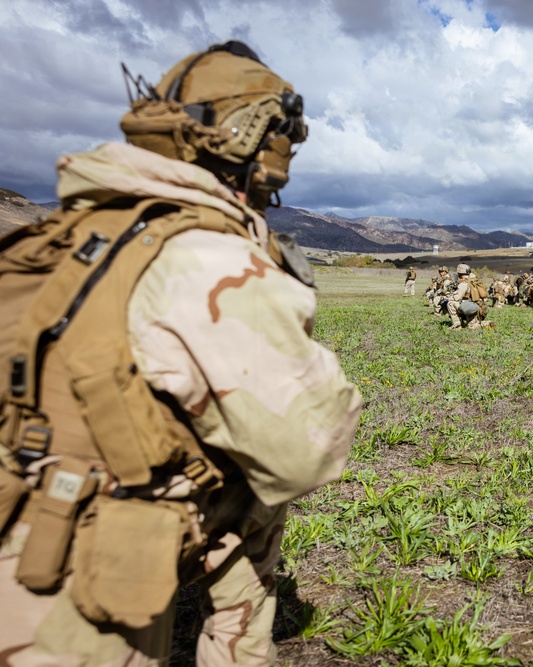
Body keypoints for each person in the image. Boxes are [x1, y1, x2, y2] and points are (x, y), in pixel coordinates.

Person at [0, 41, 362, 665]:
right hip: (72, 588)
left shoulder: (53, 236)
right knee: (259, 491)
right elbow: (308, 449)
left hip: (18, 510)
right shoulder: (203, 257)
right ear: (254, 140)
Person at [447, 264, 493, 329]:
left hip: (469, 308)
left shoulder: (464, 283)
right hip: (478, 307)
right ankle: (486, 324)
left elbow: (457, 297)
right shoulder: (475, 281)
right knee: (471, 327)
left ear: (460, 273)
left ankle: (457, 325)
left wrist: (450, 296)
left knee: (450, 303)